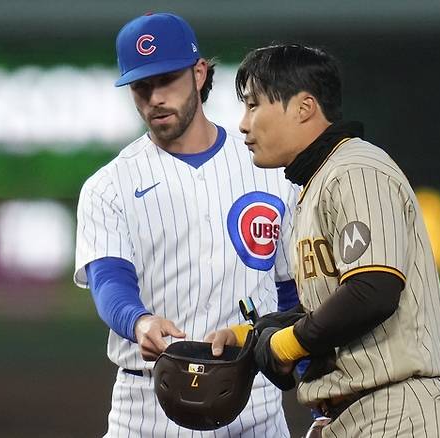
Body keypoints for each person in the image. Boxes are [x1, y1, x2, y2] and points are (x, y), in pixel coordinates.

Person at [208, 44, 440, 437]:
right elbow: (329, 305)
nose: (243, 123)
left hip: (398, 411)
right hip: (358, 415)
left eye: (254, 105)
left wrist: (284, 347)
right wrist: (253, 335)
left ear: (304, 107)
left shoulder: (355, 169)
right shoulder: (313, 187)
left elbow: (372, 289)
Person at [73, 14, 299, 437]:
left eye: (166, 80)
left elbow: (292, 293)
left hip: (255, 407)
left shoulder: (268, 170)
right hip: (145, 410)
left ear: (199, 74)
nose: (154, 97)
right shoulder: (110, 185)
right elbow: (109, 280)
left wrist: (317, 388)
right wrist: (138, 321)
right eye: (141, 86)